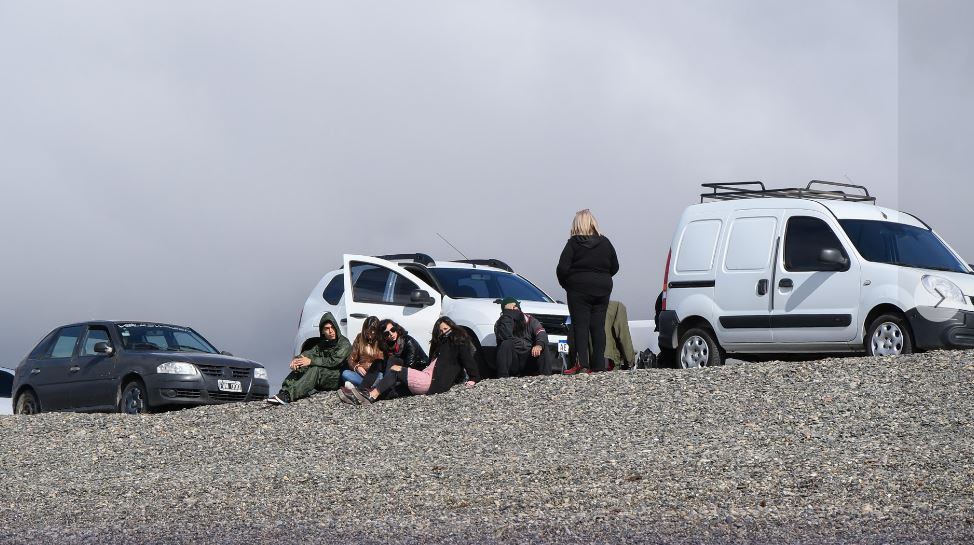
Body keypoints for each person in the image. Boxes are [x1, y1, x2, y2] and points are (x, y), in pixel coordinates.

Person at [341, 317, 479, 404]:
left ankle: (370, 395)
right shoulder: (440, 348)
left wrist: (473, 377)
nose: (443, 333)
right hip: (422, 379)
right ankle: (360, 395)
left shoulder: (456, 343)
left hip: (428, 380)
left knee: (396, 369)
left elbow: (466, 358)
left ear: (453, 328)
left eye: (446, 329)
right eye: (440, 331)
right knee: (392, 391)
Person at [556, 208, 619, 374]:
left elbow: (562, 269)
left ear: (576, 224)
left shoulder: (573, 243)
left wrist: (567, 284)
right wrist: (602, 277)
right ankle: (599, 365)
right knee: (598, 327)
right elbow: (615, 266)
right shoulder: (605, 242)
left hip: (578, 288)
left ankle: (582, 365)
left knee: (580, 326)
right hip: (602, 287)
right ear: (593, 223)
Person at [268, 312, 351, 405]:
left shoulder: (344, 343)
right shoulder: (322, 344)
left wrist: (311, 361)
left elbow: (333, 362)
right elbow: (309, 354)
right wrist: (297, 360)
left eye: (332, 327)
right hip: (325, 376)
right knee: (302, 365)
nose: (331, 331)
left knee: (315, 369)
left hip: (337, 378)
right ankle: (283, 392)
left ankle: (287, 396)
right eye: (327, 329)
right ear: (322, 331)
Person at [493, 297, 552, 377]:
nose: (514, 312)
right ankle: (502, 379)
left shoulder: (531, 320)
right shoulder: (500, 323)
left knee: (543, 346)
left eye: (515, 308)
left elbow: (541, 333)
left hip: (529, 358)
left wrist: (539, 345)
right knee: (506, 343)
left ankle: (546, 378)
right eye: (510, 310)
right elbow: (505, 336)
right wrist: (508, 317)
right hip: (513, 361)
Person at [341, 316, 383, 388]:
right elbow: (351, 359)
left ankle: (358, 386)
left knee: (381, 376)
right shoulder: (359, 338)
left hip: (374, 374)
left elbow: (382, 361)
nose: (370, 336)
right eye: (368, 333)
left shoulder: (381, 340)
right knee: (345, 373)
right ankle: (368, 387)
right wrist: (357, 367)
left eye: (373, 333)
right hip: (360, 374)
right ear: (364, 330)